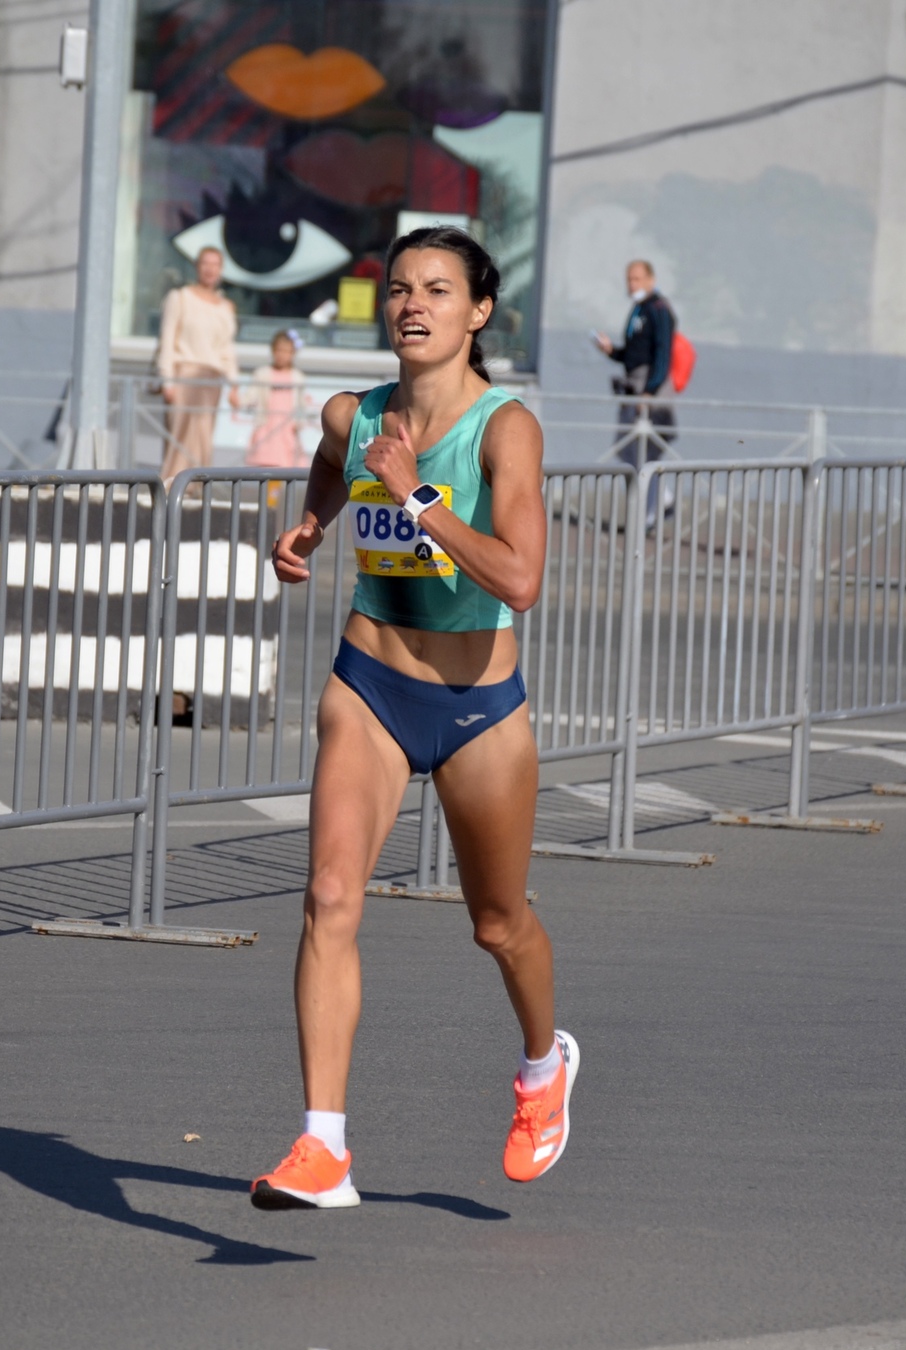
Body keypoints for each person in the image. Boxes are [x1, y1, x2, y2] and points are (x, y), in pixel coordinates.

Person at [255, 226, 572, 1210]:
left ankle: (541, 1063)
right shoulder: (354, 416)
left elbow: (518, 578)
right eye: (397, 287)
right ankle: (323, 1145)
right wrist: (312, 525)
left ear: (476, 312)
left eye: (437, 288)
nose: (411, 303)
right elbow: (330, 458)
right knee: (330, 897)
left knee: (496, 922)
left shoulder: (503, 428)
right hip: (370, 683)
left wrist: (415, 496)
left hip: (477, 705)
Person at [156, 246, 240, 483]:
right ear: (197, 266)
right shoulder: (180, 297)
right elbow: (168, 339)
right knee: (180, 435)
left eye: (215, 264)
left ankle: (197, 486)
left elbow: (226, 348)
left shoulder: (225, 307)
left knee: (203, 436)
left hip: (211, 378)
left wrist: (234, 383)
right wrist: (167, 379)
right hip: (184, 372)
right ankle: (171, 485)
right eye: (206, 263)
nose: (210, 269)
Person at [592, 259, 677, 490]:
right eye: (629, 279)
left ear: (651, 280)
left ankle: (652, 509)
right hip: (635, 385)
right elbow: (633, 354)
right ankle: (655, 503)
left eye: (637, 279)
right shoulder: (639, 308)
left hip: (650, 390)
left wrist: (649, 391)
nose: (632, 284)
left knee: (646, 453)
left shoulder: (659, 309)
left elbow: (662, 353)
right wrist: (611, 351)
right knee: (628, 450)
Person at [245, 329, 312, 469]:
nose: (282, 355)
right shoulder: (262, 374)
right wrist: (238, 400)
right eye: (279, 350)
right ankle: (267, 492)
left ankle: (275, 492)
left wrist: (299, 423)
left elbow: (301, 404)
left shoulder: (297, 377)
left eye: (286, 351)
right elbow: (250, 396)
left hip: (287, 430)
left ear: (293, 353)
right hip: (266, 426)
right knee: (265, 465)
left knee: (284, 466)